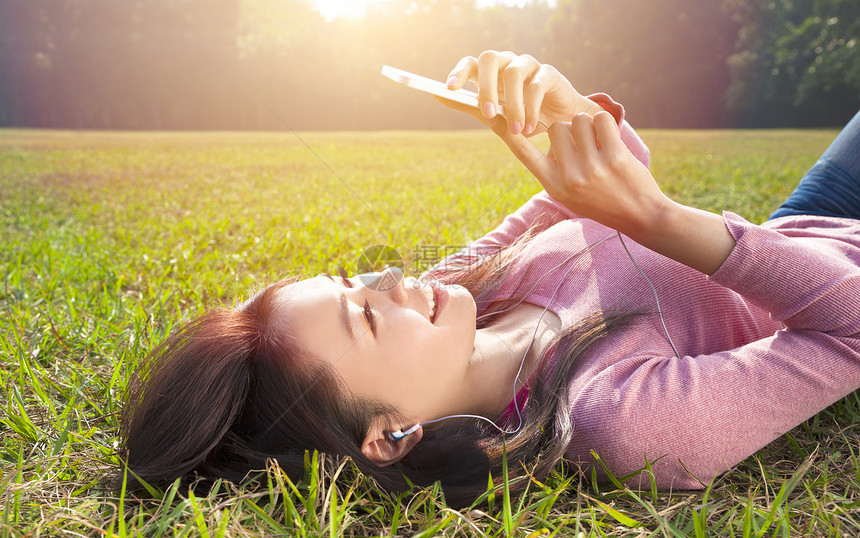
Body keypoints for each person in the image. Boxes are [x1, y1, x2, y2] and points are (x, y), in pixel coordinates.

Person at [118, 51, 860, 507]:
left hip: (810, 215)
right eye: (369, 317)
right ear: (390, 435)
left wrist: (554, 104)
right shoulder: (621, 425)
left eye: (356, 281)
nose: (394, 280)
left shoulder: (461, 294)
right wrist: (658, 219)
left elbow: (602, 173)